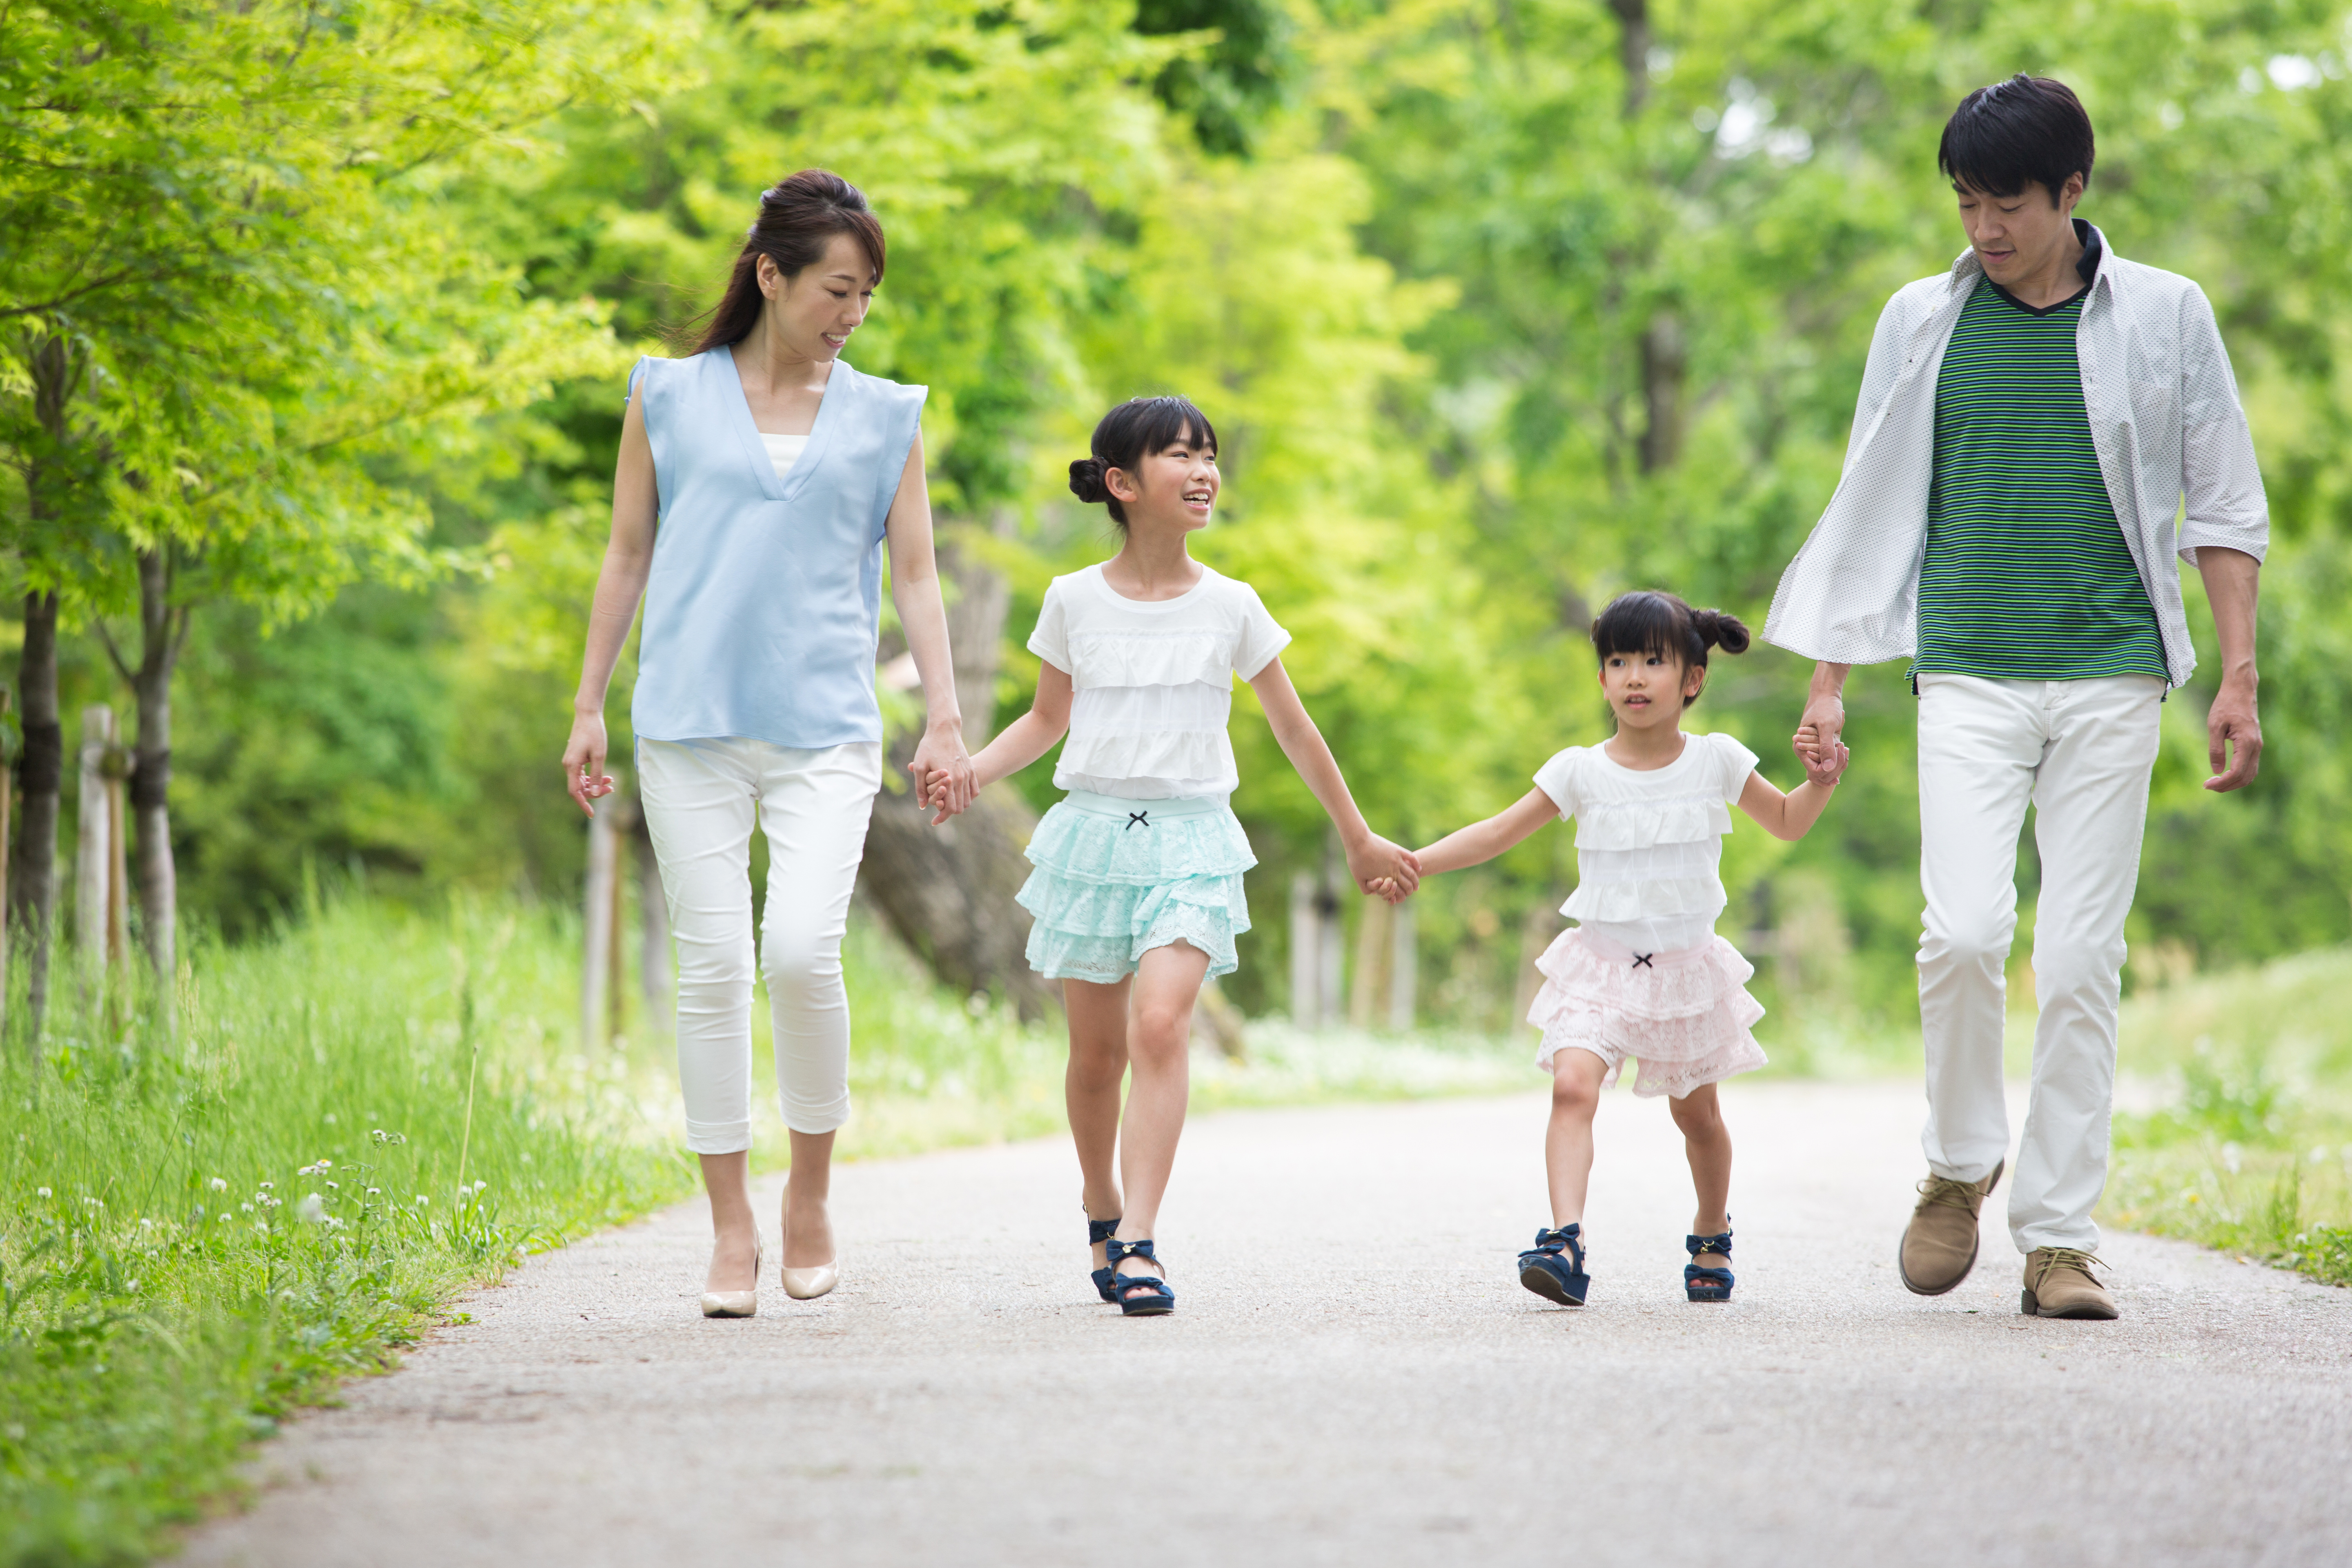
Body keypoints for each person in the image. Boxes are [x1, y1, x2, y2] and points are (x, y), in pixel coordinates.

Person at [1767, 76, 2267, 1320]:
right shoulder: (1920, 321)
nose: (1985, 228)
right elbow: (1870, 504)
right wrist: (1830, 679)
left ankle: (2058, 1240)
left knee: (2084, 959)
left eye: (2009, 205)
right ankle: (1956, 1167)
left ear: (2073, 192)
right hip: (1970, 673)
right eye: (1967, 202)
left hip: (2112, 673)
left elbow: (2226, 500)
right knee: (1964, 934)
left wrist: (2238, 675)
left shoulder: (2165, 316)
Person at [562, 170, 978, 1320]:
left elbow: (917, 575)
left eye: (867, 294)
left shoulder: (888, 414)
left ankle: (809, 1197)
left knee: (798, 952)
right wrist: (590, 701)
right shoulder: (666, 396)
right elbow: (627, 556)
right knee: (711, 973)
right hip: (686, 724)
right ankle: (731, 1226)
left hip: (827, 733)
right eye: (838, 289)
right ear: (771, 276)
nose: (853, 312)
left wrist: (945, 719)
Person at [925, 396, 1420, 1315]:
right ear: (1122, 484)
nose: (1203, 472)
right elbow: (1045, 719)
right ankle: (1101, 1204)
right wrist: (969, 773)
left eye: (1210, 455)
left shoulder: (1233, 605)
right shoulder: (1072, 598)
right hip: (1094, 838)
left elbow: (1295, 730)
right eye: (1180, 457)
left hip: (1193, 836)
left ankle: (1144, 1242)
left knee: (1162, 1025)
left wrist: (1357, 834)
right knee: (1095, 1056)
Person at [1374, 591, 1843, 1307]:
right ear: (1601, 680)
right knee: (1572, 1086)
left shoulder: (1717, 760)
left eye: (1653, 662)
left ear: (1692, 679)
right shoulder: (1579, 770)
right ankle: (1565, 1241)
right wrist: (1416, 862)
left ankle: (1712, 1230)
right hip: (1598, 967)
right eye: (1618, 661)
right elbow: (1498, 833)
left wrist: (1820, 782)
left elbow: (1784, 821)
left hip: (1685, 974)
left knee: (1699, 1118)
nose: (1633, 677)